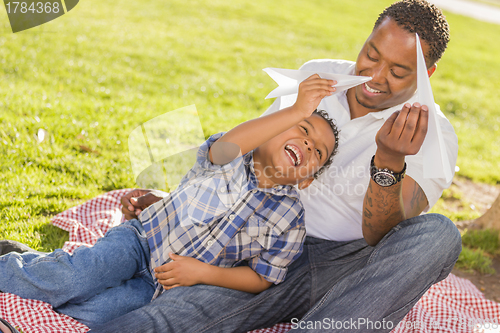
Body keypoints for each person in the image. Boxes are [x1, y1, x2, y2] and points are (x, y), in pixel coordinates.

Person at [91, 0, 461, 332]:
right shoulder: (319, 77)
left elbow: (383, 236)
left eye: (398, 72)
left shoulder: (435, 135)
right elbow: (255, 160)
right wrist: (180, 202)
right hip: (259, 240)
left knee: (440, 234)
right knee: (169, 313)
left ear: (427, 74)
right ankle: (42, 276)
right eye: (371, 54)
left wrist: (389, 163)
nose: (375, 76)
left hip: (347, 265)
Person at [0, 76, 339, 330]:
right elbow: (227, 146)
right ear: (272, 128)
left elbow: (262, 278)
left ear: (307, 179)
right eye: (302, 129)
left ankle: (26, 295)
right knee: (74, 279)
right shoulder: (232, 157)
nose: (308, 145)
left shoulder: (290, 219)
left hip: (164, 286)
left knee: (92, 314)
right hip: (140, 241)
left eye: (318, 152)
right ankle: (10, 268)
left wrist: (204, 273)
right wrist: (297, 108)